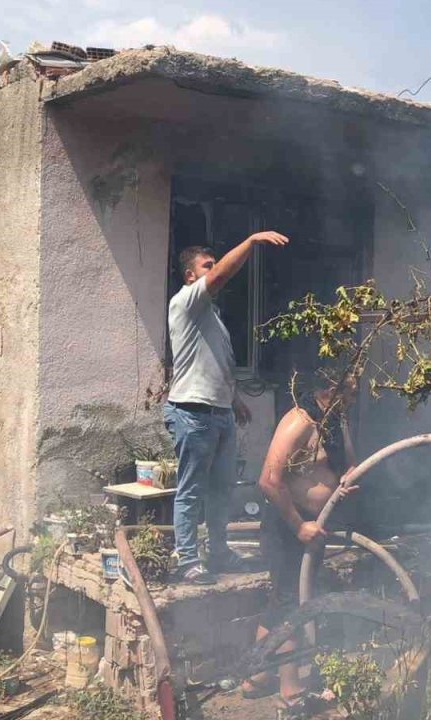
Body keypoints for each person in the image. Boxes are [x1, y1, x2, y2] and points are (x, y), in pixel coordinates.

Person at [165, 230, 290, 585]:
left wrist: (233, 401)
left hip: (217, 412)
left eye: (213, 264)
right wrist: (250, 242)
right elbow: (220, 276)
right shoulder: (186, 301)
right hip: (192, 411)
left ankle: (218, 552)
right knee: (192, 490)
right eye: (207, 265)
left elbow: (214, 363)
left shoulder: (212, 316)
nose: (214, 268)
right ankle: (188, 560)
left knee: (221, 489)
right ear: (190, 276)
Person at [241, 375, 360, 708]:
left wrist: (347, 476)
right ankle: (291, 691)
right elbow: (269, 481)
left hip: (314, 526)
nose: (355, 397)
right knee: (291, 605)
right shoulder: (298, 422)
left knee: (282, 601)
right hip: (286, 527)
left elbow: (350, 461)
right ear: (331, 388)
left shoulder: (336, 420)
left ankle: (257, 677)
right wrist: (298, 526)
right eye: (350, 391)